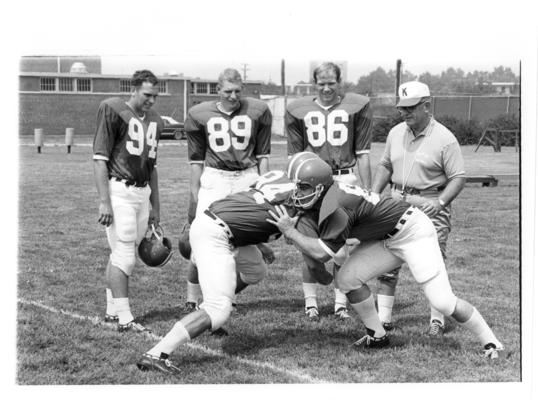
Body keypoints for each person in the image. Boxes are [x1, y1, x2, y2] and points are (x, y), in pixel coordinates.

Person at [268, 152, 504, 359]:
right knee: (347, 279)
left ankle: (491, 342)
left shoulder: (338, 204)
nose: (297, 192)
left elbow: (321, 254)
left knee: (442, 301)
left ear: (319, 187)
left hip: (413, 232)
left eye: (302, 187)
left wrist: (290, 231)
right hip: (386, 237)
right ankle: (377, 335)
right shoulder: (326, 192)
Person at [136, 170, 323, 373]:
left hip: (221, 224)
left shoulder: (278, 178)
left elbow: (247, 211)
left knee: (256, 270)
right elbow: (309, 252)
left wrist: (260, 246)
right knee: (218, 309)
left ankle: (214, 303)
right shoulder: (290, 207)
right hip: (215, 233)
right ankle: (156, 353)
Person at [371, 81, 466, 336]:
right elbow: (384, 165)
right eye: (402, 108)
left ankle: (437, 319)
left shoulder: (445, 138)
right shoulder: (395, 132)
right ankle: (384, 320)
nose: (405, 113)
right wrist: (374, 194)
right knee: (387, 262)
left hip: (429, 204)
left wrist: (440, 202)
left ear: (427, 105)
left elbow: (458, 177)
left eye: (411, 108)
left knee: (434, 264)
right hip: (395, 203)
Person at [285, 61, 373, 320]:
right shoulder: (299, 110)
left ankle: (340, 302)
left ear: (339, 82)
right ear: (314, 84)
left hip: (345, 178)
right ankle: (310, 301)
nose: (326, 88)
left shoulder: (355, 106)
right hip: (314, 182)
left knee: (343, 247)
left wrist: (367, 192)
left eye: (331, 83)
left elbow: (363, 154)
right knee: (310, 244)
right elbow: (295, 157)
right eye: (321, 83)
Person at [183, 68, 273, 314]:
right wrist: (194, 194)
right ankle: (193, 298)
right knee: (203, 245)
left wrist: (263, 187)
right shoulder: (199, 113)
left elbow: (263, 155)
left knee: (239, 241)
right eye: (228, 91)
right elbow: (196, 161)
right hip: (215, 177)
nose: (233, 96)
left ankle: (224, 296)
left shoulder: (258, 110)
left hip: (247, 176)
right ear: (217, 90)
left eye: (237, 91)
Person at [93, 69, 164, 333]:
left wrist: (156, 206)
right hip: (120, 190)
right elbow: (100, 159)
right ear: (133, 89)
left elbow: (153, 167)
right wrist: (104, 201)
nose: (151, 101)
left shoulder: (155, 120)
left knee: (123, 251)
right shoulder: (113, 109)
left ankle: (112, 311)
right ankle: (125, 318)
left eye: (155, 96)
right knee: (124, 256)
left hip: (142, 192)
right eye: (147, 94)